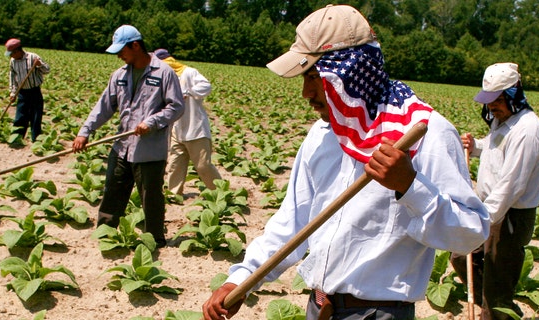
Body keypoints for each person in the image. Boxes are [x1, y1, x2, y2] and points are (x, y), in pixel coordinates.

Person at [202, 5, 490, 320]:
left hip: (378, 315)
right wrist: (241, 280)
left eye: (314, 77)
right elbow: (292, 224)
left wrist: (409, 186)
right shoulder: (321, 136)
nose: (306, 92)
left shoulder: (424, 133)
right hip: (319, 308)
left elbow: (471, 232)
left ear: (349, 73)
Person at [72, 25, 184, 248]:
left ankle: (154, 240)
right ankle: (104, 235)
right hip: (122, 146)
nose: (119, 56)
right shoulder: (119, 75)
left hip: (150, 150)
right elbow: (104, 107)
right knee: (112, 190)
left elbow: (176, 107)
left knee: (150, 197)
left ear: (135, 45)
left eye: (121, 51)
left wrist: (151, 122)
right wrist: (85, 132)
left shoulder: (164, 73)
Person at [450, 63, 539, 320]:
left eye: (498, 100)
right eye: (489, 100)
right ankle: (495, 302)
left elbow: (511, 186)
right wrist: (476, 146)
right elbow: (495, 151)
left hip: (508, 216)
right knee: (460, 256)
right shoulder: (503, 120)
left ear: (514, 95)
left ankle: (496, 307)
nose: (492, 106)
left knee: (497, 280)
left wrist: (480, 220)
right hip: (489, 209)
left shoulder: (527, 129)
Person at [153, 48, 222, 196]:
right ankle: (173, 194)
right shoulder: (164, 78)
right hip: (176, 129)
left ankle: (221, 192)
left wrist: (187, 92)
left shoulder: (189, 72)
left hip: (195, 128)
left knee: (203, 166)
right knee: (174, 164)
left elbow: (206, 86)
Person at [4, 38, 50, 142]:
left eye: (12, 53)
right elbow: (12, 77)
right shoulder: (13, 61)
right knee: (20, 116)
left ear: (17, 51)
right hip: (22, 92)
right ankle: (17, 138)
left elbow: (47, 70)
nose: (11, 56)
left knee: (35, 116)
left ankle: (36, 139)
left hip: (34, 91)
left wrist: (40, 65)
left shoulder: (33, 57)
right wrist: (13, 92)